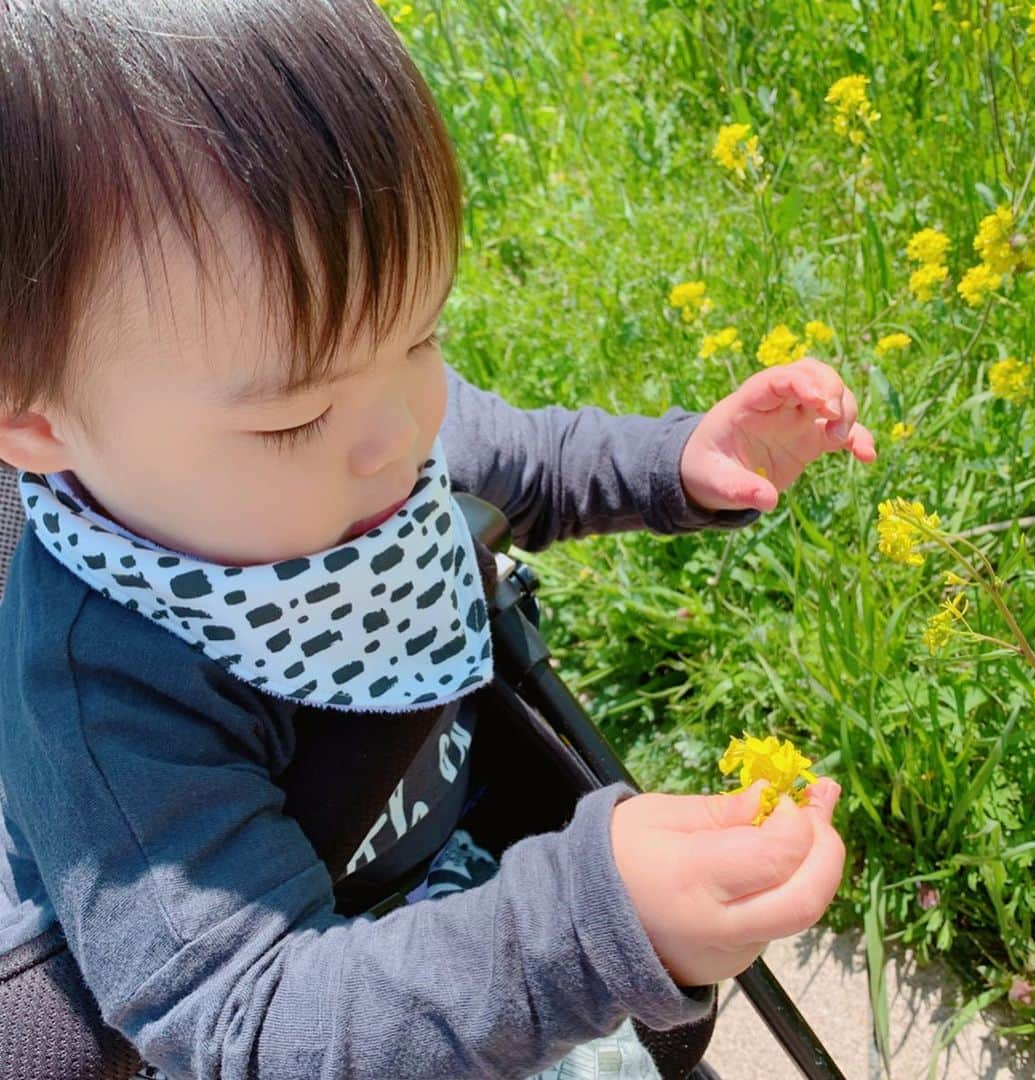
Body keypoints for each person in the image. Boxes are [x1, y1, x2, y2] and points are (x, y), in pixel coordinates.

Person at [0, 2, 873, 1077]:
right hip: (354, 1006)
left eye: (421, 336)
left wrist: (678, 459)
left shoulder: (354, 417)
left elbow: (529, 458)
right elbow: (248, 1027)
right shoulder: (103, 702)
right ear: (35, 423)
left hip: (466, 877)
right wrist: (576, 936)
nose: (403, 434)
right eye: (292, 418)